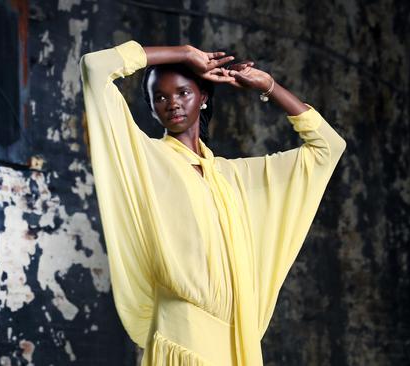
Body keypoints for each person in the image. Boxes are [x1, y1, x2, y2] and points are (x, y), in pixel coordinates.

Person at [80, 40, 345, 366]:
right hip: (181, 338)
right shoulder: (147, 158)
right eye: (159, 97)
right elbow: (94, 66)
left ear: (202, 97)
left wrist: (268, 86)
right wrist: (184, 54)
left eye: (182, 92)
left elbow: (328, 147)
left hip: (235, 340)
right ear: (151, 109)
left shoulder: (234, 176)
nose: (172, 103)